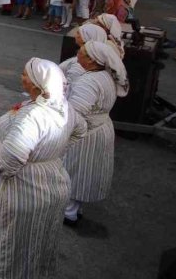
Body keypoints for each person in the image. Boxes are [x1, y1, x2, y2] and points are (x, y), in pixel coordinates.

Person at [0, 59, 87, 279]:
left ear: (38, 84)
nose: (21, 77)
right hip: (50, 181)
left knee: (11, 239)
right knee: (34, 239)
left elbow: (11, 158)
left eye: (25, 75)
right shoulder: (63, 107)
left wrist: (3, 175)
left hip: (23, 187)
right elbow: (80, 130)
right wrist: (52, 154)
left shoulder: (33, 116)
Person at [63, 42, 128, 226]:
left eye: (81, 53)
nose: (78, 54)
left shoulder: (89, 82)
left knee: (73, 170)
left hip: (87, 133)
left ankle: (69, 212)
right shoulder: (104, 76)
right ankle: (75, 209)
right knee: (85, 172)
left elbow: (75, 113)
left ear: (92, 60)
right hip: (100, 128)